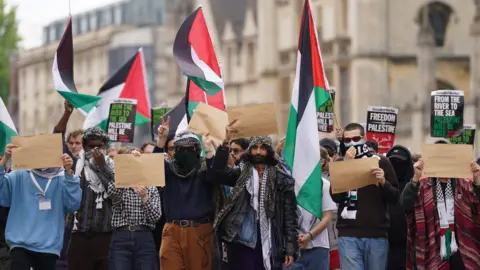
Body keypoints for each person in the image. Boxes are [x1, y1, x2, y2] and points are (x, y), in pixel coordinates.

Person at [208, 128, 298, 270]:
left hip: (270, 237)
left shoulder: (283, 180)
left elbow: (290, 217)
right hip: (243, 237)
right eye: (255, 148)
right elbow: (217, 174)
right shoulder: (241, 174)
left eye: (262, 148)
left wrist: (291, 248)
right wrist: (224, 145)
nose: (258, 152)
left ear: (269, 151)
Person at [0, 144, 81, 270]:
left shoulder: (62, 179)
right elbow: (2, 196)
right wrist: (4, 160)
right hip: (20, 244)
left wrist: (69, 172)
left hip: (48, 246)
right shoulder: (18, 175)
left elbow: (73, 205)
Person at [400, 141, 480, 270]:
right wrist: (415, 177)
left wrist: (477, 180)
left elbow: (476, 205)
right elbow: (405, 203)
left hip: (462, 251)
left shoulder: (464, 184)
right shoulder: (423, 185)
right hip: (431, 249)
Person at [153, 117, 219, 270]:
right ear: (175, 151)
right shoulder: (169, 169)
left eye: (191, 148)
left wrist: (209, 149)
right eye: (181, 148)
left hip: (199, 231)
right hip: (172, 230)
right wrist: (161, 140)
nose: (186, 152)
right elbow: (153, 165)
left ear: (198, 149)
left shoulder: (205, 169)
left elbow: (216, 173)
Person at [331, 123, 398, 270]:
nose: (352, 143)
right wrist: (346, 167)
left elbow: (394, 198)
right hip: (348, 233)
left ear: (364, 138)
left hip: (376, 234)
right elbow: (335, 196)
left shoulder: (381, 161)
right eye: (347, 140)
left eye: (355, 138)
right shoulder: (341, 163)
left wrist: (383, 182)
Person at [66, 127, 115, 270]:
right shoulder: (76, 166)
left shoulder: (113, 167)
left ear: (105, 146)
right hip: (79, 236)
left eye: (99, 146)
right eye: (91, 146)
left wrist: (102, 167)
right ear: (84, 146)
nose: (95, 150)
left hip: (106, 237)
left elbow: (115, 193)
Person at [107, 147, 162, 269]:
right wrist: (126, 169)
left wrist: (145, 198)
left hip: (145, 237)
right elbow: (112, 193)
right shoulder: (119, 183)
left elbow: (155, 217)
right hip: (121, 236)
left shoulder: (151, 186)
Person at [292, 147, 336, 270]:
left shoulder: (324, 185)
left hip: (318, 245)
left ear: (321, 162)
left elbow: (327, 217)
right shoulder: (290, 183)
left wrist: (310, 236)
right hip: (292, 245)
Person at [386, 145, 414, 270]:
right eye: (392, 162)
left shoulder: (415, 186)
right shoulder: (383, 184)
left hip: (409, 243)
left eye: (400, 162)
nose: (396, 165)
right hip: (385, 243)